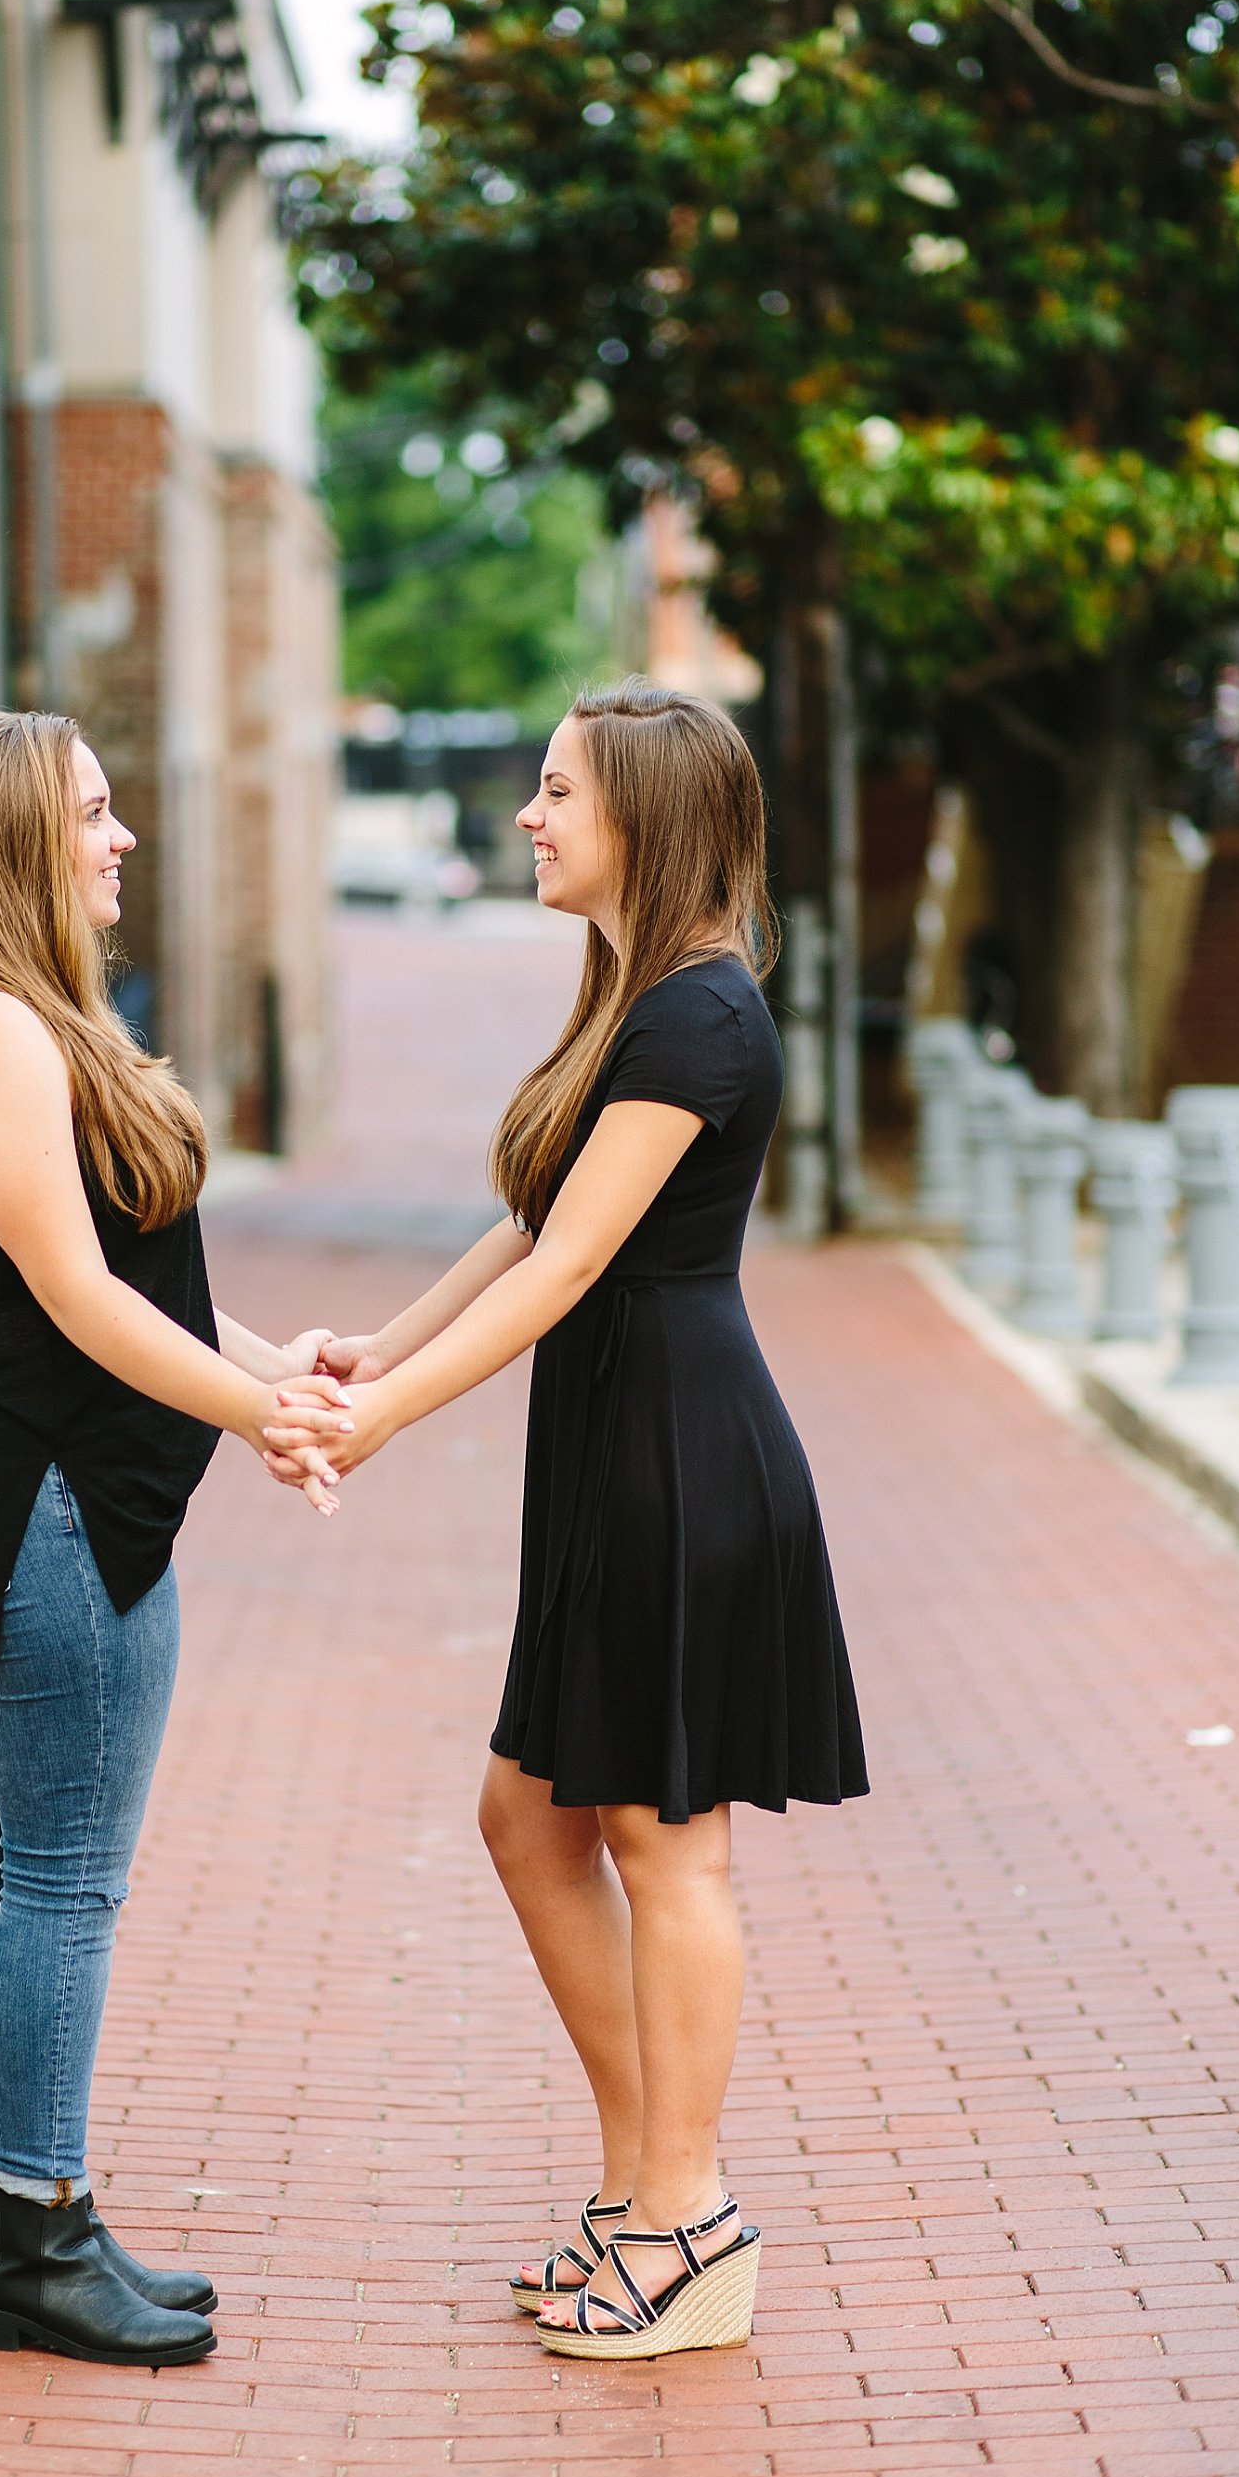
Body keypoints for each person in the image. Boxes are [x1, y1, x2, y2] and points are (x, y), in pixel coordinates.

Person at [298, 678, 866, 2361]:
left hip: (682, 1458)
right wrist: (371, 1350)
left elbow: (569, 1265)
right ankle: (648, 2192)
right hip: (619, 1453)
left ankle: (687, 2220)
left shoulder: (699, 1017)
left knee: (661, 1840)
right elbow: (529, 1220)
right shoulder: (633, 1002)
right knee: (532, 1819)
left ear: (647, 817)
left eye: (559, 791)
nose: (532, 816)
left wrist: (379, 1422)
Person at [0, 707, 354, 2369]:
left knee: (11, 1874)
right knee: (59, 1883)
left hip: (26, 1495)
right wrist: (258, 1418)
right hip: (52, 1508)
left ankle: (41, 2218)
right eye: (92, 810)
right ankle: (36, 2230)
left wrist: (267, 1361)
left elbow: (126, 1283)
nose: (122, 836)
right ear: (20, 838)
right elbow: (78, 1306)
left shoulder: (7, 1026)